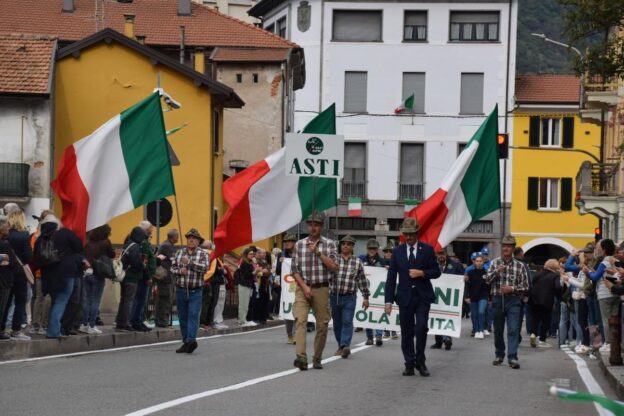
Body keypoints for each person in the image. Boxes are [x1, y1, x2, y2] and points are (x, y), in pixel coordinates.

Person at [384, 217, 441, 377]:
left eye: (411, 234)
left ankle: (420, 361)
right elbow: (391, 278)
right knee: (407, 332)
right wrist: (388, 300)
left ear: (417, 233)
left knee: (421, 328)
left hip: (423, 297)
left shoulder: (428, 250)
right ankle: (409, 363)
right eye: (406, 234)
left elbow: (436, 272)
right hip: (404, 298)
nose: (408, 237)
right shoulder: (397, 252)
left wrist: (422, 273)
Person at [291, 211, 338, 371]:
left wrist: (318, 253)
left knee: (322, 325)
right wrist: (304, 287)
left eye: (316, 225)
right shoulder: (299, 245)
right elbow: (294, 270)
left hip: (321, 287)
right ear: (307, 226)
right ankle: (301, 358)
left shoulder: (330, 244)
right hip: (303, 287)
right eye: (310, 224)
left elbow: (334, 267)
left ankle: (317, 357)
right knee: (300, 321)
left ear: (322, 227)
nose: (313, 228)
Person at [36, 215, 87, 339]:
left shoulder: (40, 238)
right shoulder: (65, 234)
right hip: (66, 273)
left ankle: (52, 329)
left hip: (47, 275)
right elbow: (79, 247)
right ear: (57, 224)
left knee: (55, 301)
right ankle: (53, 331)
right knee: (61, 301)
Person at [485, 235, 529, 369]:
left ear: (513, 248)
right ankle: (499, 355)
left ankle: (513, 357)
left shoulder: (520, 266)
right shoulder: (495, 263)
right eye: (504, 246)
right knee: (498, 330)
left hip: (514, 300)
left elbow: (526, 286)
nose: (505, 248)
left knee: (513, 329)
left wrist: (512, 288)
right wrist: (496, 272)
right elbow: (486, 280)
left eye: (508, 246)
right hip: (497, 299)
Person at [170, 229, 210, 354]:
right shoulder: (179, 253)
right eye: (189, 238)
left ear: (198, 241)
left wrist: (190, 263)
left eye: (193, 238)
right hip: (181, 289)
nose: (191, 240)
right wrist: (179, 271)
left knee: (193, 315)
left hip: (196, 290)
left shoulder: (203, 254)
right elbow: (172, 267)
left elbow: (205, 268)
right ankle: (186, 341)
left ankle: (191, 340)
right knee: (182, 317)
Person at [332, 235, 370, 359]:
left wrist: (365, 297)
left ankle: (345, 345)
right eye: (343, 244)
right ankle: (341, 345)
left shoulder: (357, 262)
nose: (345, 246)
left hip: (350, 297)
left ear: (353, 247)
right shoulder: (333, 259)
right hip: (334, 296)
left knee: (347, 321)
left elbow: (362, 280)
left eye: (348, 244)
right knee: (337, 323)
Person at [584, 239, 619, 353]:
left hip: (604, 294)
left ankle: (608, 343)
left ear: (604, 249)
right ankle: (615, 343)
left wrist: (588, 272)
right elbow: (615, 277)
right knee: (615, 319)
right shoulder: (615, 260)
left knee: (606, 320)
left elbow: (594, 278)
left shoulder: (604, 262)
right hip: (616, 293)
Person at [3, 209, 33, 340]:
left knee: (6, 301)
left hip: (6, 271)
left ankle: (2, 328)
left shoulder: (5, 235)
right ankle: (16, 330)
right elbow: (28, 256)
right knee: (21, 300)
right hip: (19, 272)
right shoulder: (24, 235)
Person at [80, 224, 115, 334]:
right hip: (98, 274)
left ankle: (84, 324)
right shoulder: (105, 242)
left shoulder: (88, 242)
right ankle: (92, 325)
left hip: (87, 273)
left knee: (86, 300)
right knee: (95, 301)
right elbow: (112, 254)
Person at [115, 226, 148, 331]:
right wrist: (143, 265)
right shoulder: (135, 247)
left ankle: (120, 322)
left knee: (123, 300)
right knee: (129, 301)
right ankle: (125, 323)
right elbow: (135, 263)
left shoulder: (128, 244)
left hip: (125, 276)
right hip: (132, 278)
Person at [431, 247, 464, 350]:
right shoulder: (431, 264)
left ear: (446, 254)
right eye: (439, 253)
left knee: (447, 317)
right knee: (436, 316)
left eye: (443, 253)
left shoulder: (455, 265)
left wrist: (465, 279)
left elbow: (462, 279)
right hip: (435, 295)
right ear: (436, 254)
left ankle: (447, 338)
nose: (441, 255)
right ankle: (438, 342)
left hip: (450, 297)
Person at [529, 259, 566, 348]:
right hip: (547, 301)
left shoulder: (538, 274)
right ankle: (542, 339)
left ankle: (533, 334)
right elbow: (557, 287)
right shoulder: (555, 276)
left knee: (535, 318)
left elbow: (533, 284)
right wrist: (560, 296)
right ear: (555, 267)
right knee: (546, 320)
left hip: (534, 299)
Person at [30, 210, 54, 335]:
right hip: (42, 271)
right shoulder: (39, 236)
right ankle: (39, 325)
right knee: (42, 298)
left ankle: (38, 324)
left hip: (42, 271)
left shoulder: (37, 235)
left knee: (39, 297)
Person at [130, 221, 156, 332]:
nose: (152, 228)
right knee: (140, 300)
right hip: (144, 277)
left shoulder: (145, 241)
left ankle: (139, 320)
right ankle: (136, 321)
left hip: (145, 276)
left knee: (141, 301)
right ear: (146, 229)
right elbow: (145, 261)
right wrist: (149, 276)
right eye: (151, 227)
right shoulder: (144, 243)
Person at [360, 238, 385, 346]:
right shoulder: (360, 259)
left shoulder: (383, 261)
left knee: (379, 312)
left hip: (378, 292)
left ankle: (379, 335)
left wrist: (387, 269)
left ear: (377, 249)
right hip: (366, 290)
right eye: (370, 248)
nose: (372, 250)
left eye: (374, 248)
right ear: (367, 248)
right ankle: (369, 337)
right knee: (367, 313)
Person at [155, 229, 179, 328]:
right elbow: (174, 259)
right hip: (166, 277)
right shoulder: (168, 246)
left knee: (164, 300)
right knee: (165, 300)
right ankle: (163, 322)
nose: (178, 238)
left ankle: (161, 321)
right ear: (173, 237)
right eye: (177, 236)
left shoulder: (167, 244)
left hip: (167, 277)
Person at [276, 233, 296, 344]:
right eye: (286, 241)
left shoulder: (300, 253)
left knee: (299, 309)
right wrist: (281, 262)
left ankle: (297, 334)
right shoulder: (281, 254)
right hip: (287, 286)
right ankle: (289, 334)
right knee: (288, 308)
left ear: (294, 242)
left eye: (289, 241)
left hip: (298, 284)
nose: (287, 243)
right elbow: (279, 271)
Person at [0, 216, 18, 340]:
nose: (9, 228)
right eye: (7, 226)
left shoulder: (5, 242)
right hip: (3, 280)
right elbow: (12, 261)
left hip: (5, 279)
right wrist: (4, 258)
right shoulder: (4, 243)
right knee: (2, 307)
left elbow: (10, 260)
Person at [465, 255, 490, 339]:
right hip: (473, 296)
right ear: (474, 262)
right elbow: (467, 285)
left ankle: (481, 329)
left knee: (481, 312)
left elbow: (489, 285)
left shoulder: (487, 272)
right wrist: (466, 297)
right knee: (474, 315)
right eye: (477, 261)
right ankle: (476, 331)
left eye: (480, 261)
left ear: (483, 262)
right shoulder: (470, 273)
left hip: (483, 296)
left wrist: (490, 297)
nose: (479, 262)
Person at [237, 248, 257, 327]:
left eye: (252, 254)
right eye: (250, 254)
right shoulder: (244, 263)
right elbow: (247, 275)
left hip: (247, 285)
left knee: (246, 303)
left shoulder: (248, 263)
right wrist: (256, 271)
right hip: (243, 285)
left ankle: (244, 319)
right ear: (246, 255)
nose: (252, 255)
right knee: (243, 303)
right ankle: (241, 320)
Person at [200, 240, 216, 330]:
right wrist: (204, 278)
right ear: (210, 247)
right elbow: (212, 271)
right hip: (206, 283)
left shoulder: (197, 252)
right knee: (205, 303)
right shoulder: (213, 255)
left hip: (195, 282)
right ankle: (202, 322)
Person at [254, 249, 271, 324]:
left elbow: (268, 271)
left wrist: (266, 271)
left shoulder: (265, 262)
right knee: (259, 301)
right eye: (262, 253)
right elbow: (259, 272)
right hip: (260, 283)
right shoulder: (257, 261)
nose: (264, 254)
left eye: (265, 253)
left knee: (265, 300)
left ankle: (264, 317)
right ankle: (258, 317)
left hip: (266, 283)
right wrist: (264, 272)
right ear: (259, 254)